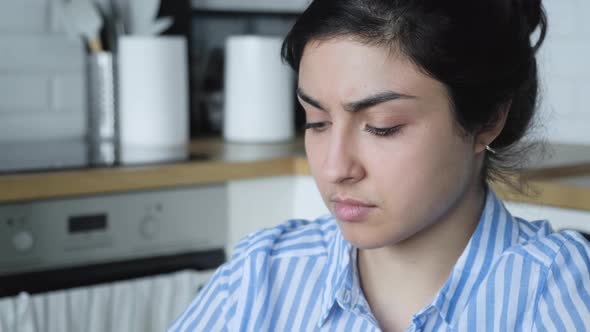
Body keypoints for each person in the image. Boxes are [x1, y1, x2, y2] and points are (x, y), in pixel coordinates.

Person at [168, 0, 590, 331]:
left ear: (488, 120)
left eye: (381, 127)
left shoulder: (559, 289)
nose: (335, 168)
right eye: (317, 122)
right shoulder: (260, 276)